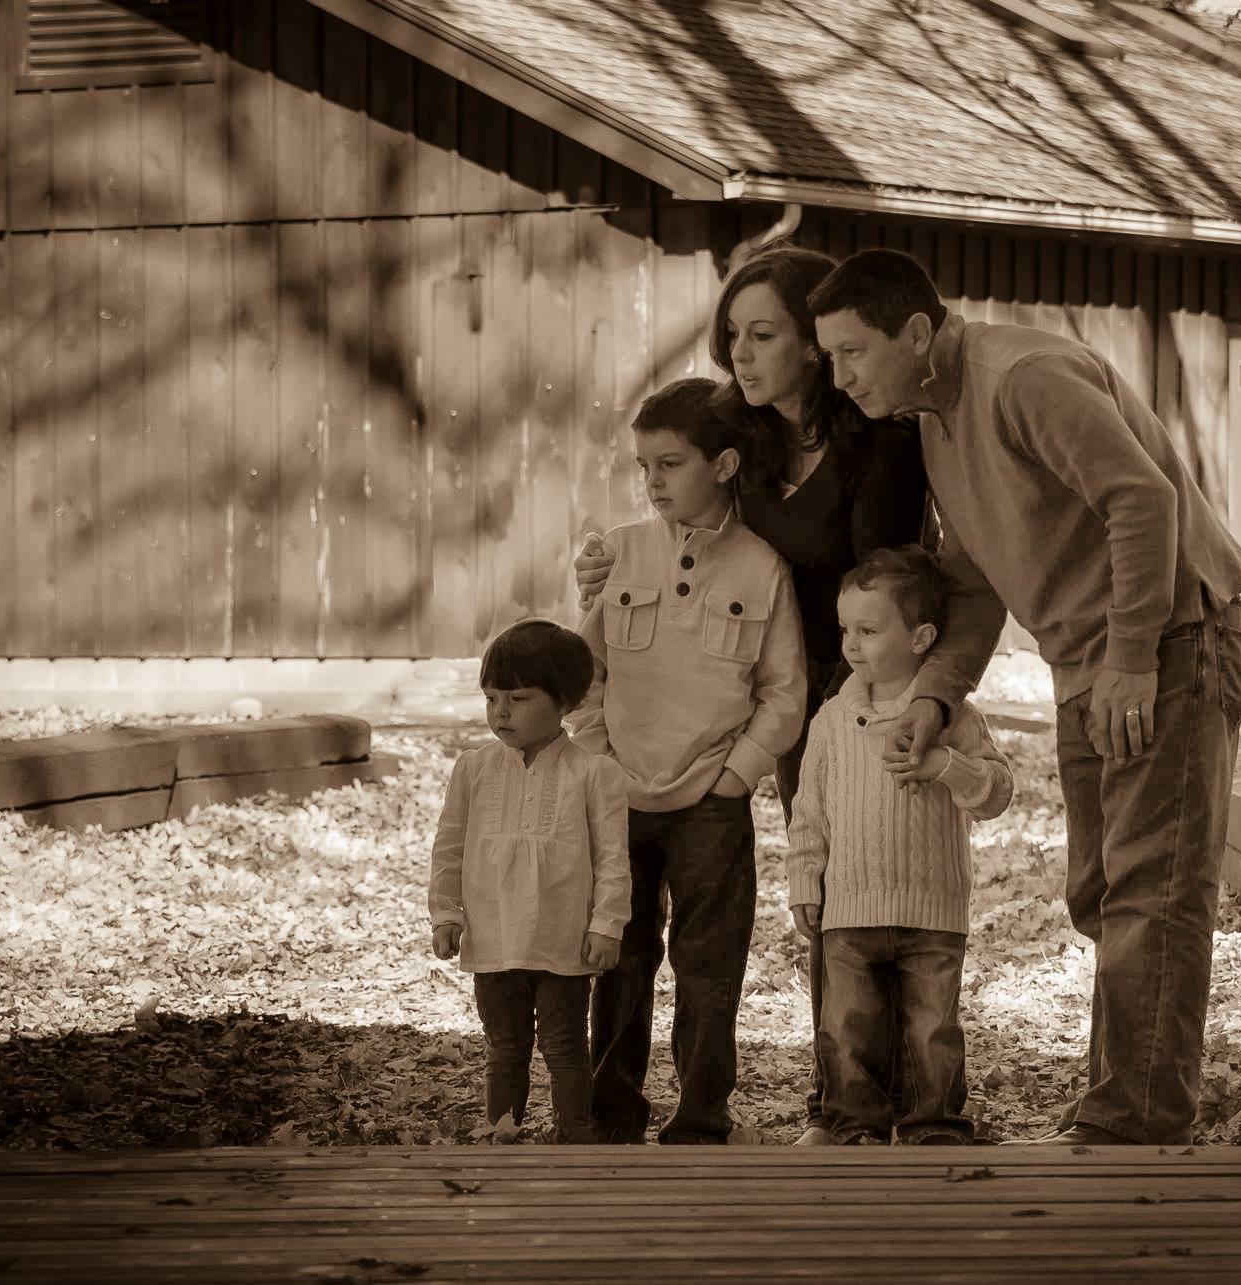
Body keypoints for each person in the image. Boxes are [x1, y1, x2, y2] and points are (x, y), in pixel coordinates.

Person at [808, 249, 1241, 1147]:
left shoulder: (1022, 376)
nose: (840, 375)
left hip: (1168, 642)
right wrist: (935, 696)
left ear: (916, 332)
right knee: (1100, 890)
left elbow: (1142, 499)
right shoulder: (939, 420)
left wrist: (1132, 656)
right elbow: (973, 581)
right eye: (829, 357)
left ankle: (1135, 1124)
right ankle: (1123, 1102)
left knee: (1151, 890)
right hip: (1088, 659)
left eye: (851, 351)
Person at [572, 246, 1002, 1145]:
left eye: (763, 334)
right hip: (762, 690)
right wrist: (609, 559)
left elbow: (903, 574)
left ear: (815, 343)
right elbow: (682, 500)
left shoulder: (883, 436)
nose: (742, 353)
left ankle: (898, 1103)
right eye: (732, 335)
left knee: (883, 883)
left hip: (861, 688)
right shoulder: (746, 436)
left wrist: (899, 695)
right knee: (826, 893)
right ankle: (846, 1103)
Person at [571, 376, 808, 1144]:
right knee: (616, 959)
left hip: (712, 799)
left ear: (727, 464)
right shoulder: (619, 554)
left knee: (710, 969)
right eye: (643, 466)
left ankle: (703, 1118)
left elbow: (783, 691)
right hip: (620, 794)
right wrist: (599, 757)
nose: (652, 481)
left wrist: (737, 773)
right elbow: (585, 673)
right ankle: (610, 1115)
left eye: (670, 464)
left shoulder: (762, 566)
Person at [787, 547, 1013, 1146]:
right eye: (845, 630)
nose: (852, 644)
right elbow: (808, 812)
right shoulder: (833, 719)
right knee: (848, 1027)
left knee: (931, 1029)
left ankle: (933, 1126)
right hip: (851, 909)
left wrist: (944, 765)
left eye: (868, 629)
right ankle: (854, 1124)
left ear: (921, 637)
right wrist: (806, 883)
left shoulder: (952, 715)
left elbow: (997, 792)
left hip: (931, 908)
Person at [428, 620, 632, 1145]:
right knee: (504, 1044)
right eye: (492, 698)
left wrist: (607, 924)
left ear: (564, 700)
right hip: (494, 933)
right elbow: (449, 847)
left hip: (562, 934)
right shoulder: (473, 770)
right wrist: (447, 913)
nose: (500, 712)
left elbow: (612, 858)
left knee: (564, 1043)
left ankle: (576, 1136)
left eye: (517, 698)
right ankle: (504, 1135)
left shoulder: (594, 774)